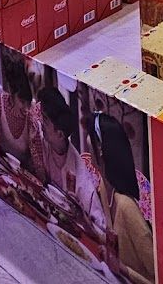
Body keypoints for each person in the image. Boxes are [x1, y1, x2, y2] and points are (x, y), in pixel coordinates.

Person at [88, 112, 155, 284]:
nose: (87, 141)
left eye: (92, 137)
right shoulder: (104, 187)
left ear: (101, 149)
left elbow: (157, 276)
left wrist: (124, 269)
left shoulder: (126, 206)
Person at [32, 87, 106, 234]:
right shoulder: (41, 142)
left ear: (59, 134)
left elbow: (101, 227)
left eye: (45, 122)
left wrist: (81, 218)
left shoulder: (80, 176)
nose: (41, 125)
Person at [0, 51, 34, 166]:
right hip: (2, 164)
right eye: (22, 101)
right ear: (12, 92)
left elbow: (36, 158)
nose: (26, 108)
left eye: (29, 102)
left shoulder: (33, 113)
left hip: (24, 172)